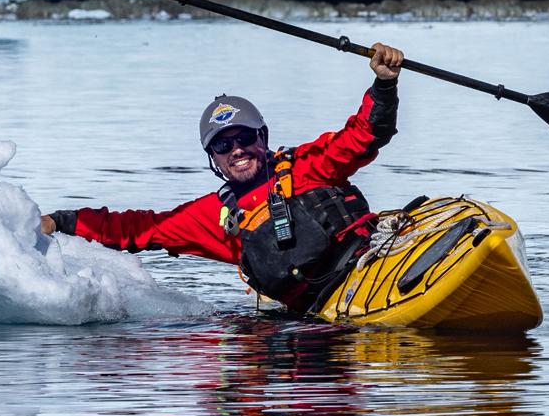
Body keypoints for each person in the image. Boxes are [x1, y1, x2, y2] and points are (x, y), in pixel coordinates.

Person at [42, 43, 405, 313]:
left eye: (245, 137)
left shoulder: (307, 165)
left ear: (262, 137)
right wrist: (62, 222)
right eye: (223, 144)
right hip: (320, 316)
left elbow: (365, 135)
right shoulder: (212, 217)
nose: (237, 149)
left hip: (372, 268)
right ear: (213, 157)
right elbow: (138, 230)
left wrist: (384, 85)